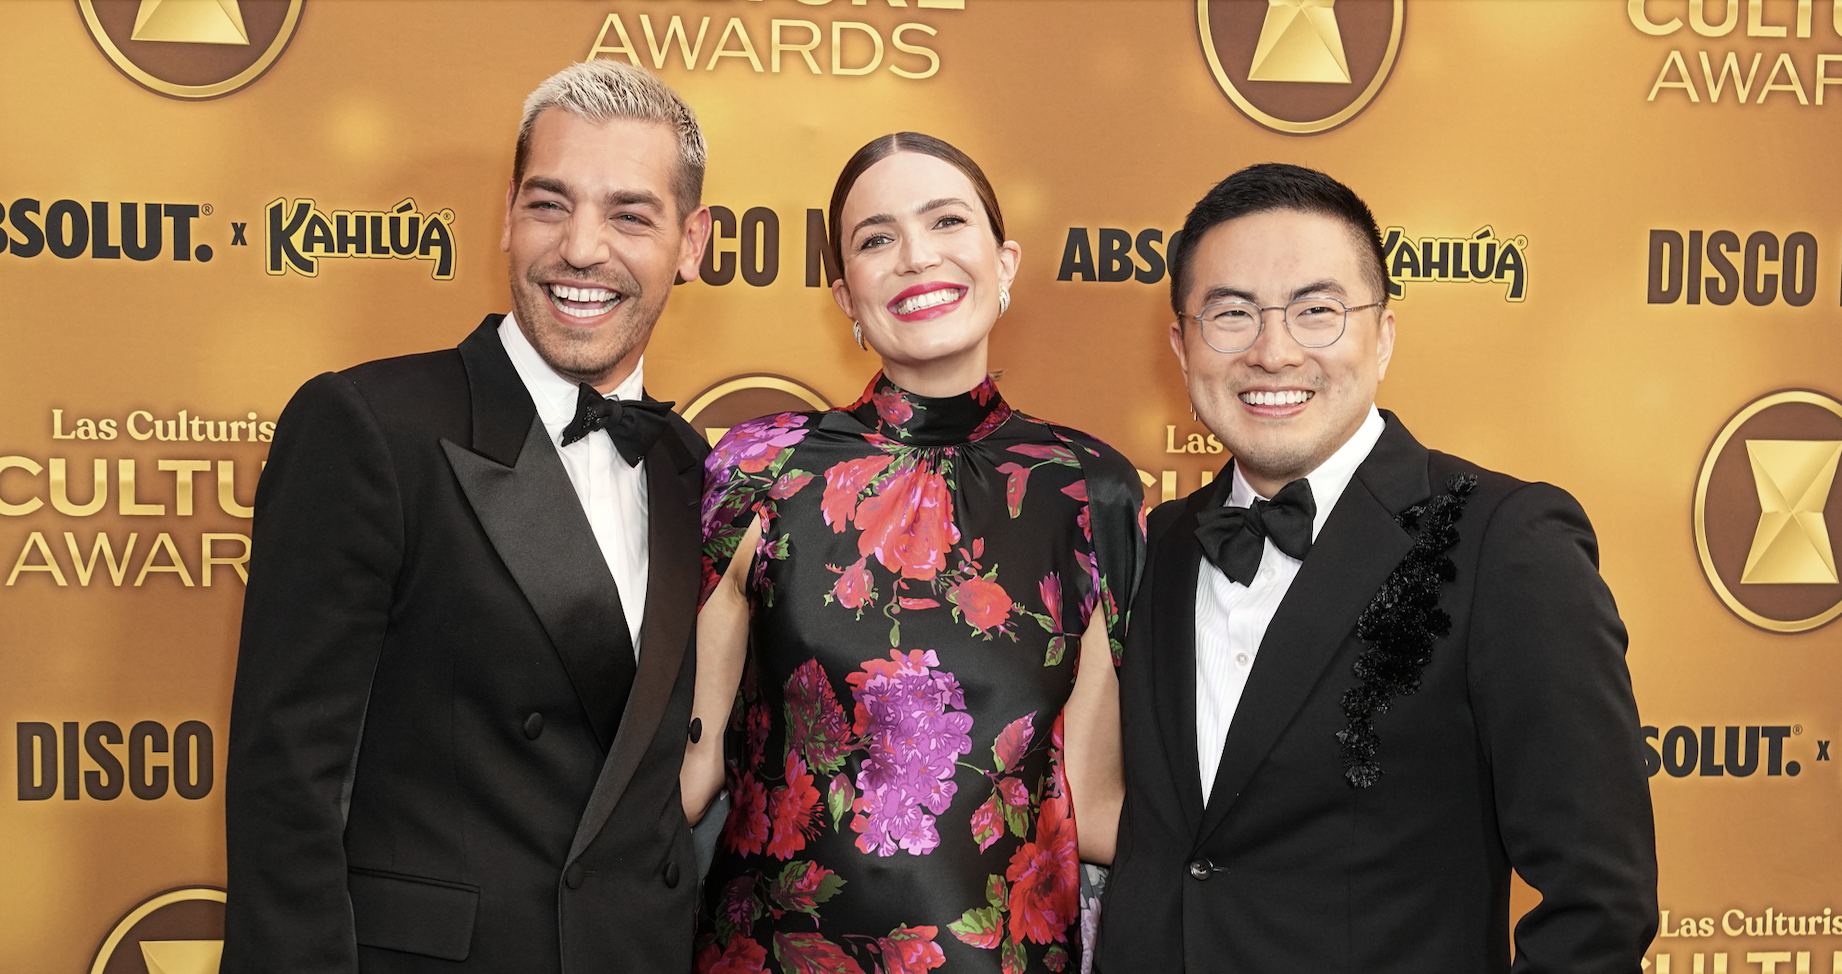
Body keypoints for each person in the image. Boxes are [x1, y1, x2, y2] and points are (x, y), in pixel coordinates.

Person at [1097, 164, 1657, 972]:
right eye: (1231, 314)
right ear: (1182, 346)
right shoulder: (1159, 541)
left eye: (1318, 311)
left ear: (1383, 336)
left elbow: (1599, 900)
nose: (1274, 351)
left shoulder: (1503, 540)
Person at [223, 61, 714, 973]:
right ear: (505, 215)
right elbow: (285, 789)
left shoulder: (695, 468)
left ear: (692, 243)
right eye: (548, 204)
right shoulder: (371, 427)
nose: (580, 248)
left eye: (630, 215)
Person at [682, 133, 1143, 973]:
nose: (916, 257)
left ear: (1003, 263)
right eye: (876, 239)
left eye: (945, 222)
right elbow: (692, 768)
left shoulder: (1088, 486)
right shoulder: (758, 468)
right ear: (845, 296)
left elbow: (1092, 795)